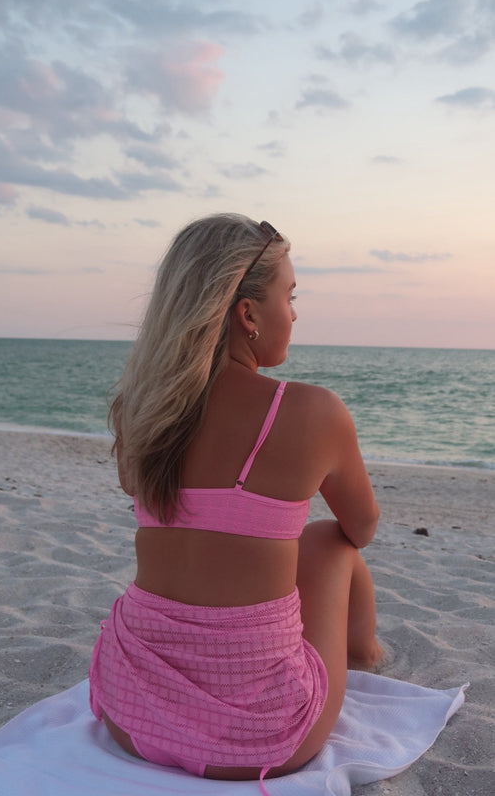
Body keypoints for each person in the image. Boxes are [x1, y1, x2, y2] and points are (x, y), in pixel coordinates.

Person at [89, 213, 383, 793]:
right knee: (329, 540)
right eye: (289, 296)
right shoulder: (311, 410)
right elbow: (364, 524)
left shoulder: (140, 411)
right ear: (248, 314)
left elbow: (181, 513)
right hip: (263, 740)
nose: (294, 315)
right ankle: (364, 656)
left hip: (130, 710)